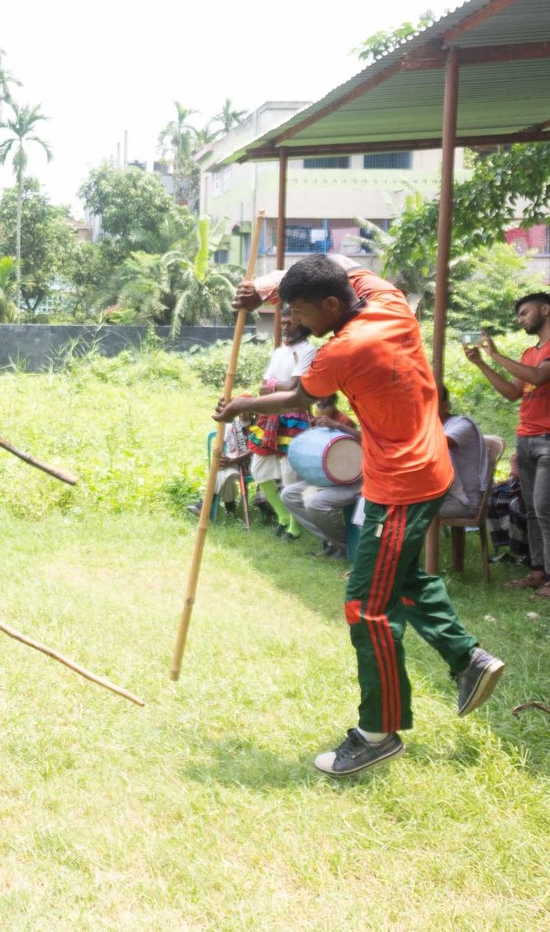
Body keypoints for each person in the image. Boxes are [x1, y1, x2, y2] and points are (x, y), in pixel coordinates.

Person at [215, 253, 505, 777]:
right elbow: (339, 263)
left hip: (401, 486)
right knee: (401, 578)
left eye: (299, 311)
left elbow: (300, 397)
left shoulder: (342, 350)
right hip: (427, 471)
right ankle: (467, 659)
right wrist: (264, 289)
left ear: (330, 305)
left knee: (367, 606)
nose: (293, 320)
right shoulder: (386, 300)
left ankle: (378, 732)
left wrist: (240, 406)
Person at [464, 293, 550, 599]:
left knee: (546, 507)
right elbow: (512, 393)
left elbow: (539, 377)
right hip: (526, 437)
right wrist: (481, 364)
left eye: (524, 313)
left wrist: (495, 355)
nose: (520, 320)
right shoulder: (530, 352)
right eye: (519, 315)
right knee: (531, 508)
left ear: (545, 309)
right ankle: (539, 570)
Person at [249, 307, 317, 540]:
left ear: (302, 324)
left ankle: (294, 528)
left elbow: (293, 388)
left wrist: (272, 385)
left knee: (290, 476)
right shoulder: (279, 351)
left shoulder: (308, 350)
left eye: (291, 323)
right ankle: (283, 516)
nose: (286, 327)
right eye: (283, 323)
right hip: (270, 414)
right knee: (259, 470)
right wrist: (278, 386)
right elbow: (263, 388)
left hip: (294, 417)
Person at [280, 395, 360, 558]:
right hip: (326, 478)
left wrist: (336, 426)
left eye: (326, 403)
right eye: (319, 403)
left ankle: (345, 546)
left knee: (314, 503)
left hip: (349, 480)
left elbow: (357, 449)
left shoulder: (345, 421)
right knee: (288, 495)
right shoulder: (316, 420)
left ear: (333, 402)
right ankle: (332, 541)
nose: (322, 406)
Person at [438, 386, 489, 521]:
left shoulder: (462, 425)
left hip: (464, 502)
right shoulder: (430, 429)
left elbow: (440, 444)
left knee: (413, 513)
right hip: (442, 498)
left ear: (445, 405)